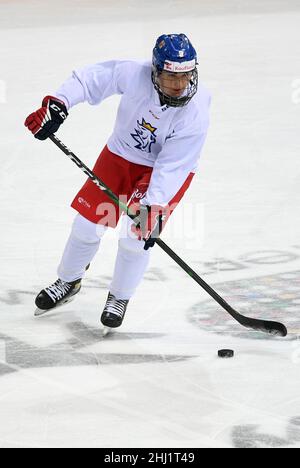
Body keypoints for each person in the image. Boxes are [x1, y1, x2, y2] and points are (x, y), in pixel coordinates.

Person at [24, 33, 211, 328]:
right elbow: (90, 79)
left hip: (163, 171)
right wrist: (59, 103)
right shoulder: (134, 74)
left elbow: (174, 165)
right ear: (155, 72)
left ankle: (120, 296)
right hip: (119, 156)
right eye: (171, 78)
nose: (180, 86)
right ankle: (68, 281)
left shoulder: (196, 110)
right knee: (86, 224)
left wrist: (153, 206)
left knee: (136, 238)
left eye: (186, 76)